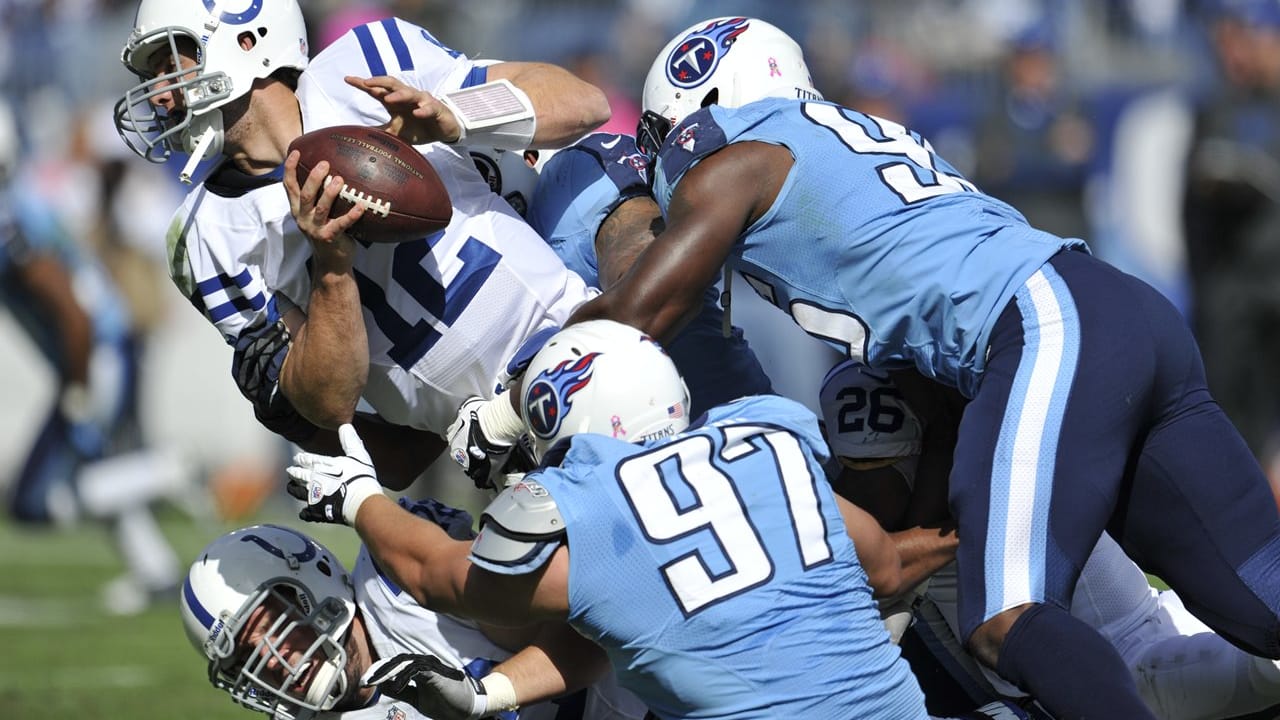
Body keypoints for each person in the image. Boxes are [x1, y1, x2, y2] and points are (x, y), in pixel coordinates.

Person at [467, 15, 1280, 719]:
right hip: (1113, 310)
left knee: (1007, 621)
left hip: (1043, 327)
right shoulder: (856, 145)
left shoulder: (738, 157)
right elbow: (931, 372)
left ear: (700, 109)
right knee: (1261, 599)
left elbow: (639, 316)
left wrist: (506, 405)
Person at [285, 319, 937, 719]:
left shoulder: (605, 523)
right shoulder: (770, 437)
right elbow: (882, 566)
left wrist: (359, 498)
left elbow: (439, 575)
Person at [112, 0, 611, 488]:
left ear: (246, 41)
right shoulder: (204, 237)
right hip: (498, 449)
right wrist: (331, 265)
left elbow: (585, 103)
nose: (159, 94)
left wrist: (456, 116)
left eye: (170, 63)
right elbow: (332, 406)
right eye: (151, 76)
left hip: (583, 344)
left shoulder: (362, 64)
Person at [820, 360, 1280, 720]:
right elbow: (882, 545)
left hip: (1159, 614)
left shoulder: (1003, 358)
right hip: (1117, 672)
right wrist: (942, 435)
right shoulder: (872, 391)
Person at [0, 100, 187, 615]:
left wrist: (78, 387)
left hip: (95, 351)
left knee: (33, 502)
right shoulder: (22, 200)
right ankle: (155, 571)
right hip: (100, 346)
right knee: (92, 467)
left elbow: (70, 310)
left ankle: (162, 471)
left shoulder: (10, 218)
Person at [180, 521, 647, 720]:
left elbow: (594, 624)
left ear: (309, 588)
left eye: (269, 625)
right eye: (245, 657)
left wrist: (485, 695)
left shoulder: (403, 590)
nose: (270, 660)